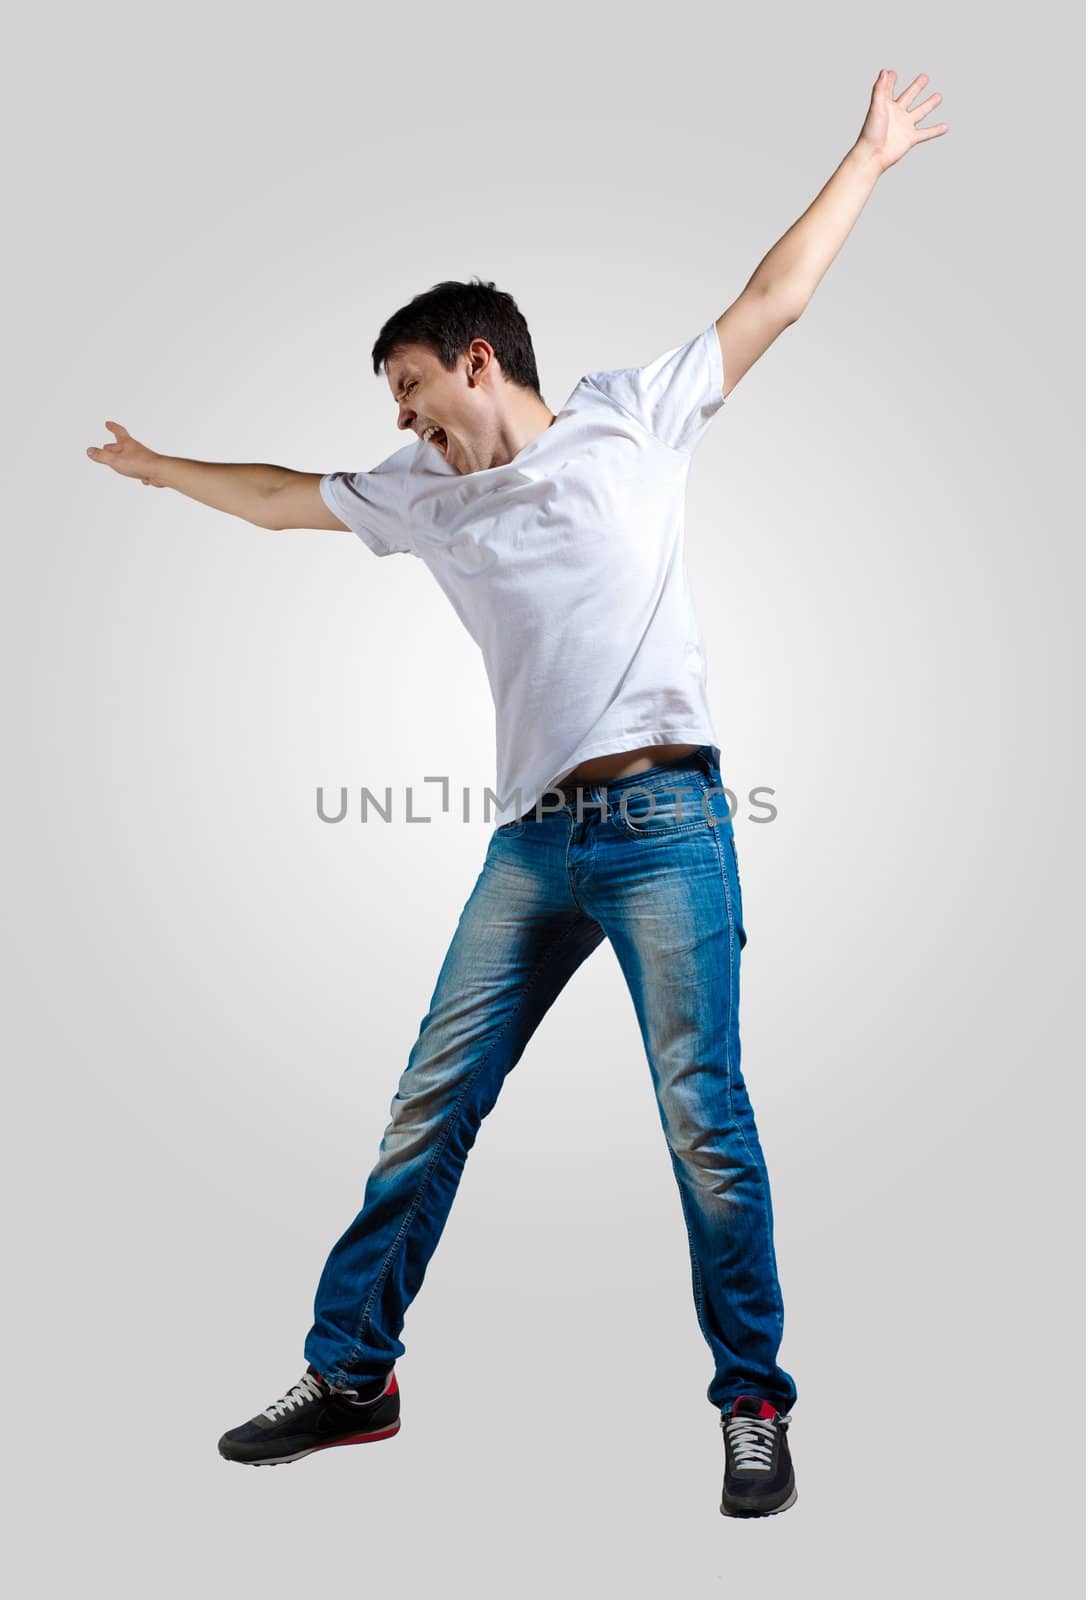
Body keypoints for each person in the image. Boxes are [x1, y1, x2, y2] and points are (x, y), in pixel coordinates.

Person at [87, 69, 947, 1516]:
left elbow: (771, 298)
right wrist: (164, 468)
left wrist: (865, 158)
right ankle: (352, 1377)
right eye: (396, 410)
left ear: (477, 363)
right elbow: (285, 494)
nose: (406, 425)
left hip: (666, 822)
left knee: (700, 1116)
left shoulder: (630, 417)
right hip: (533, 846)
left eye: (414, 391)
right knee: (430, 1105)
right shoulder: (418, 498)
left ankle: (751, 1402)